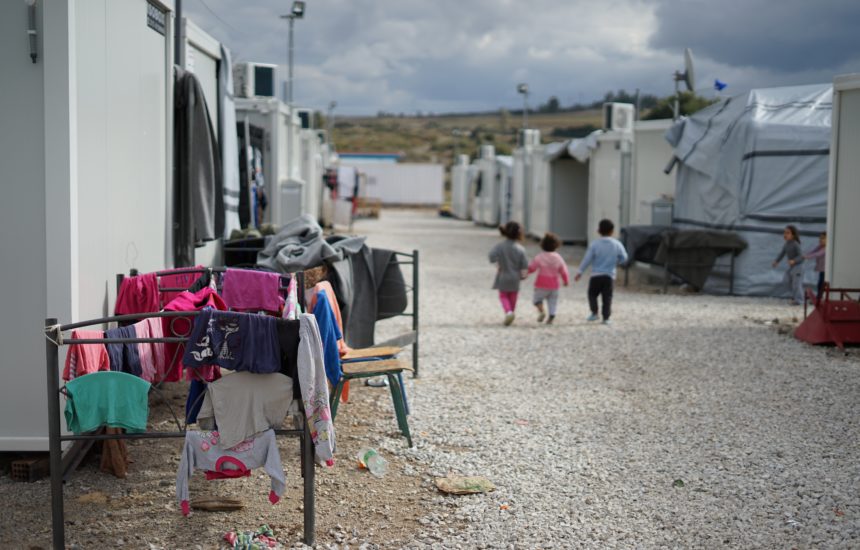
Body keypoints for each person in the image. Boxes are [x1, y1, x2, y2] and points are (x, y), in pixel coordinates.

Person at [574, 219, 628, 325]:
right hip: (609, 276)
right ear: (612, 231)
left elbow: (587, 259)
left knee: (592, 294)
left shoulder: (595, 244)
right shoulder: (616, 244)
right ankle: (606, 318)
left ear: (598, 231)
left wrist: (580, 272)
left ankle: (594, 313)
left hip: (596, 275)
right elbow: (625, 257)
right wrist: (619, 262)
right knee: (607, 297)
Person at [489, 221, 529, 326]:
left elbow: (491, 256)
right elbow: (524, 264)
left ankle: (508, 312)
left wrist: (498, 264)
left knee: (503, 295)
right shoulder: (520, 249)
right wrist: (524, 275)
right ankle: (512, 312)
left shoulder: (500, 246)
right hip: (515, 277)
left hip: (503, 275)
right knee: (513, 296)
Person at [527, 232, 569, 324]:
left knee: (537, 299)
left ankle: (541, 310)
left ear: (542, 245)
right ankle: (551, 315)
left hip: (541, 284)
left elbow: (532, 267)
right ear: (557, 245)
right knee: (552, 301)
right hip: (554, 285)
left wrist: (526, 272)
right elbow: (563, 270)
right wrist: (565, 280)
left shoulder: (539, 257)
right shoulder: (558, 258)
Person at [772, 225, 805, 305]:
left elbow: (801, 257)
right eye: (784, 232)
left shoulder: (795, 244)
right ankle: (795, 296)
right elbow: (782, 253)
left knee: (796, 284)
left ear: (793, 235)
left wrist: (794, 260)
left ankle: (799, 300)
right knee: (786, 281)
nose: (785, 234)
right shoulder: (786, 244)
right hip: (792, 267)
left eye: (788, 233)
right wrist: (776, 261)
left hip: (798, 267)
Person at [804, 231, 826, 302]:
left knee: (821, 284)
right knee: (819, 284)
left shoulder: (826, 248)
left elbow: (818, 254)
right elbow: (813, 251)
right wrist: (806, 255)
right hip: (822, 270)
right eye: (820, 238)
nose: (820, 240)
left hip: (825, 270)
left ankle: (819, 298)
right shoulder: (820, 246)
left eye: (823, 238)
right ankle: (819, 297)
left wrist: (808, 257)